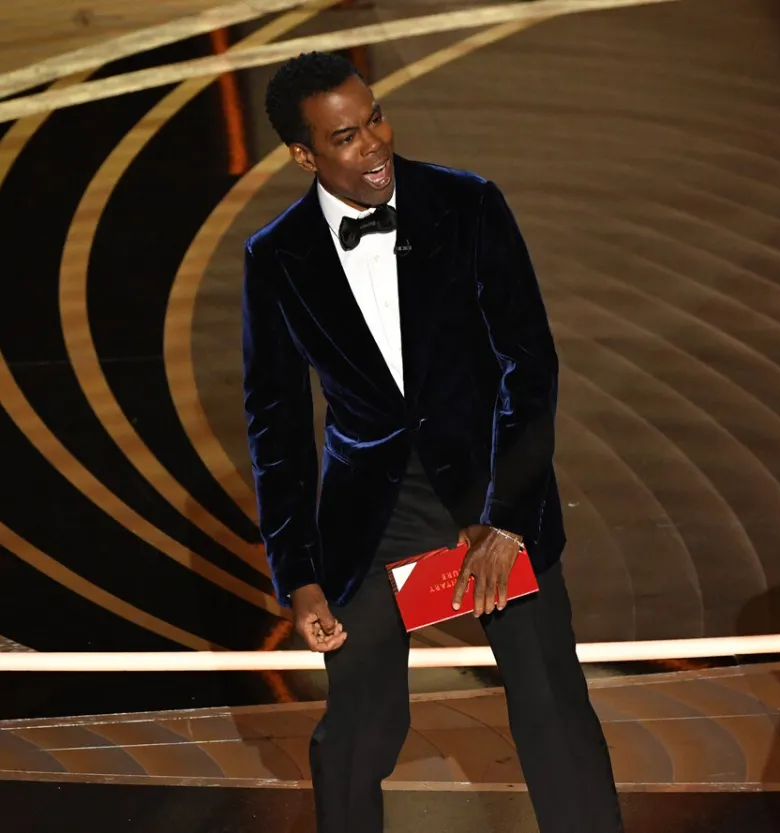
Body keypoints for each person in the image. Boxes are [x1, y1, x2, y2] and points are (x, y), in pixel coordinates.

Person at [242, 52, 623, 833]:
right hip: (374, 518)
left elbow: (529, 364)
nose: (375, 143)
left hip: (491, 496)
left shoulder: (467, 203)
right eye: (346, 137)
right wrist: (299, 575)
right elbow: (274, 423)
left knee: (552, 712)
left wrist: (508, 519)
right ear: (304, 155)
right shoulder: (276, 256)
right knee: (356, 731)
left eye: (376, 117)